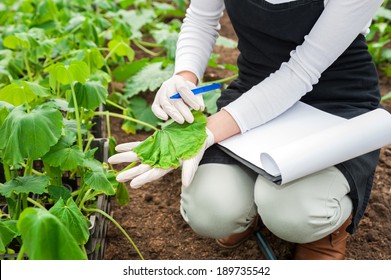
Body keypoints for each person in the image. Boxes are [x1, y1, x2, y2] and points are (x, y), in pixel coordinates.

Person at [108, 0, 384, 260]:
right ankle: (250, 211)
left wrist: (210, 131)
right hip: (254, 88)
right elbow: (201, 20)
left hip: (336, 100)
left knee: (294, 212)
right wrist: (184, 76)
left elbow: (301, 71)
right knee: (209, 211)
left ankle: (326, 229)